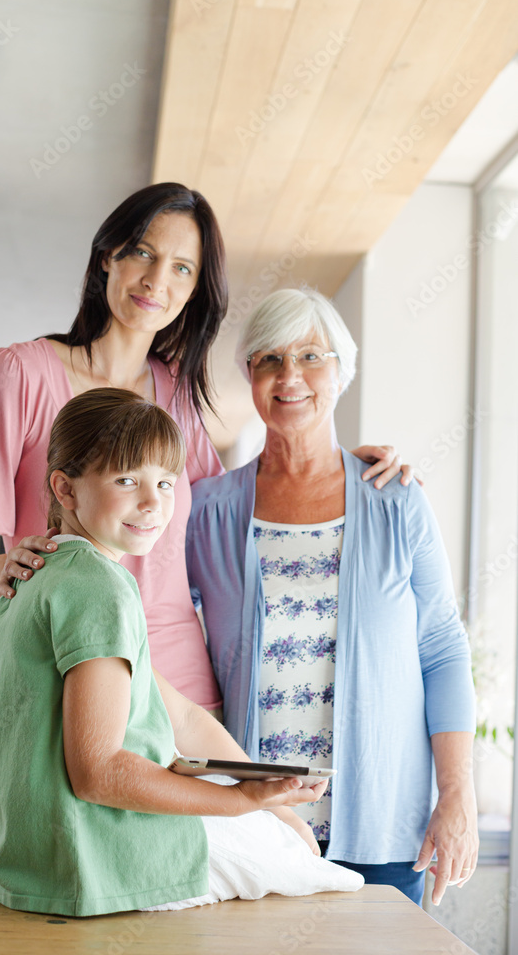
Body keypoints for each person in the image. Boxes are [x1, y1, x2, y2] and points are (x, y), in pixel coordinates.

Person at [0, 182, 409, 707]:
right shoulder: (18, 375)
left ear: (193, 291)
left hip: (180, 681)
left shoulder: (178, 393)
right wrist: (7, 567)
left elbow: (233, 507)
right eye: (143, 252)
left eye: (182, 267)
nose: (157, 280)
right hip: (62, 665)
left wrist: (334, 468)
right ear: (105, 259)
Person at [0, 388, 364, 916]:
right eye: (126, 480)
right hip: (95, 860)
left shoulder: (38, 572)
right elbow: (100, 772)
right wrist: (240, 802)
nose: (153, 502)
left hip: (27, 860)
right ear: (65, 488)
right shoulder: (100, 589)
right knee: (331, 884)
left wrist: (258, 788)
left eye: (165, 482)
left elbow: (174, 708)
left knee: (284, 837)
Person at [185, 287, 478, 907]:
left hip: (383, 829)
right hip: (256, 825)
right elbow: (164, 638)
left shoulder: (397, 501)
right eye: (268, 359)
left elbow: (443, 651)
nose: (289, 376)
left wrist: (458, 794)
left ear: (342, 371)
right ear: (250, 376)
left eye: (311, 356)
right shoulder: (206, 510)